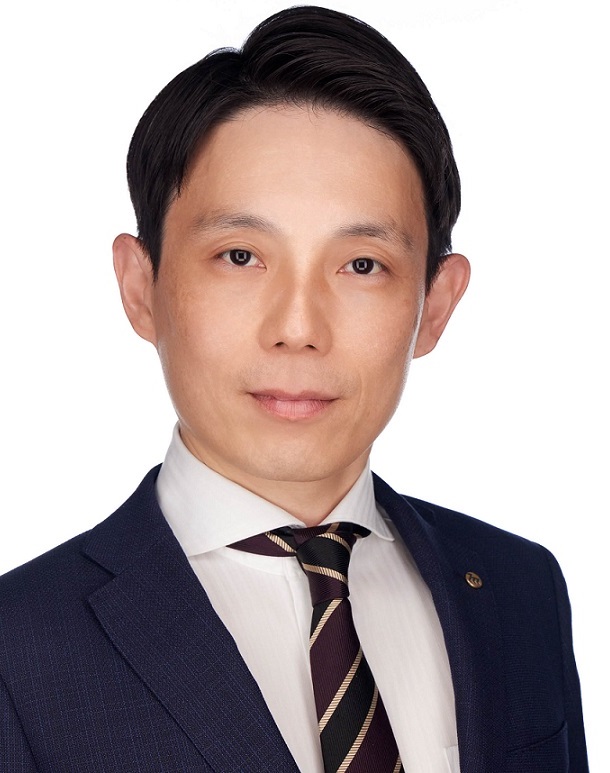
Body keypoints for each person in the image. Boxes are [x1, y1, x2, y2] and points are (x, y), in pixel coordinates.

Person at [0, 5, 587, 772]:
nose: (298, 327)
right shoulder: (19, 647)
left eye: (362, 265)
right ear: (141, 287)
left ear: (436, 305)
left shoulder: (519, 589)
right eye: (240, 256)